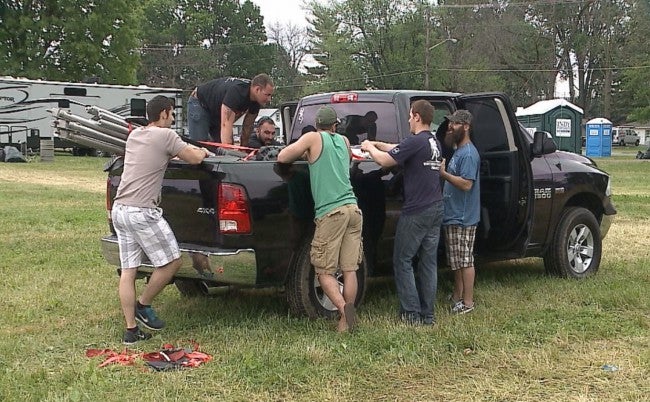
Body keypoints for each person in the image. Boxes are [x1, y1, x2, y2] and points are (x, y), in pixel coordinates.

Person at [112, 95, 212, 344]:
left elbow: (161, 156)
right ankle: (144, 305)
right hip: (142, 211)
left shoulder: (135, 136)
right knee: (172, 262)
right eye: (172, 114)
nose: (173, 119)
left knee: (128, 271)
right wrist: (202, 150)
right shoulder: (166, 136)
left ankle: (131, 331)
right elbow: (195, 158)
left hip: (120, 210)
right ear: (165, 113)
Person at [277, 106, 362, 332]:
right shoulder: (344, 142)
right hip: (353, 209)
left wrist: (304, 150)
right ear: (336, 125)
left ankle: (346, 312)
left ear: (317, 125)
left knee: (323, 271)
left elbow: (283, 156)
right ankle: (346, 323)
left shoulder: (313, 138)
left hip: (331, 212)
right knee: (349, 269)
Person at [361, 100, 443, 325]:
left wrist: (369, 149)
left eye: (410, 116)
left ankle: (411, 314)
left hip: (417, 210)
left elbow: (386, 160)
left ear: (417, 116)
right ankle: (428, 315)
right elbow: (399, 148)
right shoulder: (432, 142)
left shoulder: (416, 141)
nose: (408, 119)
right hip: (436, 207)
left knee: (403, 260)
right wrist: (378, 143)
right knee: (428, 262)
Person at [439, 110, 480, 315]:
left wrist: (444, 174)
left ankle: (468, 303)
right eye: (450, 123)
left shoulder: (470, 154)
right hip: (452, 214)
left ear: (466, 126)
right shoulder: (459, 151)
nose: (450, 127)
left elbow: (466, 185)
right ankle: (458, 295)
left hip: (464, 217)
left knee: (465, 260)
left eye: (455, 123)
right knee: (456, 260)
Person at [187, 74, 274, 146]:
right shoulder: (237, 92)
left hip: (216, 112)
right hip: (200, 104)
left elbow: (247, 126)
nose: (269, 99)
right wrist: (229, 153)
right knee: (200, 146)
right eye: (267, 95)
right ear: (257, 89)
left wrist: (243, 151)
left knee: (221, 148)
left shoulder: (256, 101)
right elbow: (226, 124)